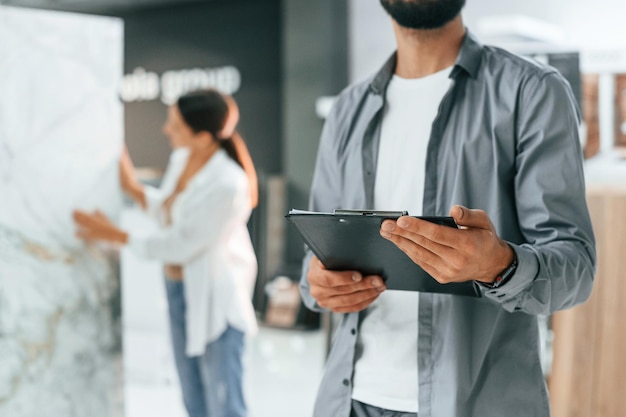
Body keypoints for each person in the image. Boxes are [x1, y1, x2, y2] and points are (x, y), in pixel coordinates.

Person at [299, 1, 596, 417]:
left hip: (476, 402)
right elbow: (315, 257)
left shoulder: (531, 92)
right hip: (349, 401)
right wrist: (318, 283)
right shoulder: (348, 110)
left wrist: (500, 265)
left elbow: (577, 267)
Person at [73, 89, 258, 417]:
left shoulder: (230, 184)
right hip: (178, 292)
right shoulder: (182, 158)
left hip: (217, 301)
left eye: (174, 125)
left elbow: (180, 243)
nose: (165, 130)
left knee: (226, 406)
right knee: (193, 400)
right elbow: (170, 212)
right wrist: (130, 183)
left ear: (202, 137)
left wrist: (115, 235)